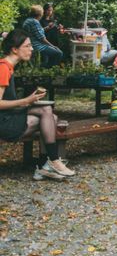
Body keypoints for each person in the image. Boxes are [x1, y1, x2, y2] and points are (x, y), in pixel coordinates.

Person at [0, 30, 75, 181]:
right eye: (27, 46)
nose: (32, 49)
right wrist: (26, 101)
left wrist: (31, 100)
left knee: (50, 116)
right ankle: (52, 161)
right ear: (15, 49)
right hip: (4, 124)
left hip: (8, 118)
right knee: (46, 112)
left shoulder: (9, 66)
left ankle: (45, 165)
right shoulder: (3, 68)